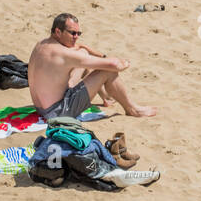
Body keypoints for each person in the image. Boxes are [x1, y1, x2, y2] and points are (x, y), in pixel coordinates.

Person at [28, 13, 156, 121]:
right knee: (107, 71)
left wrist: (86, 49)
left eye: (79, 33)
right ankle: (132, 109)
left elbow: (79, 52)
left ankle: (106, 97)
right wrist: (126, 62)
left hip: (41, 108)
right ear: (58, 31)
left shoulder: (41, 45)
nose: (76, 37)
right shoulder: (63, 54)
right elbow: (114, 65)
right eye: (73, 33)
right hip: (58, 112)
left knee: (83, 55)